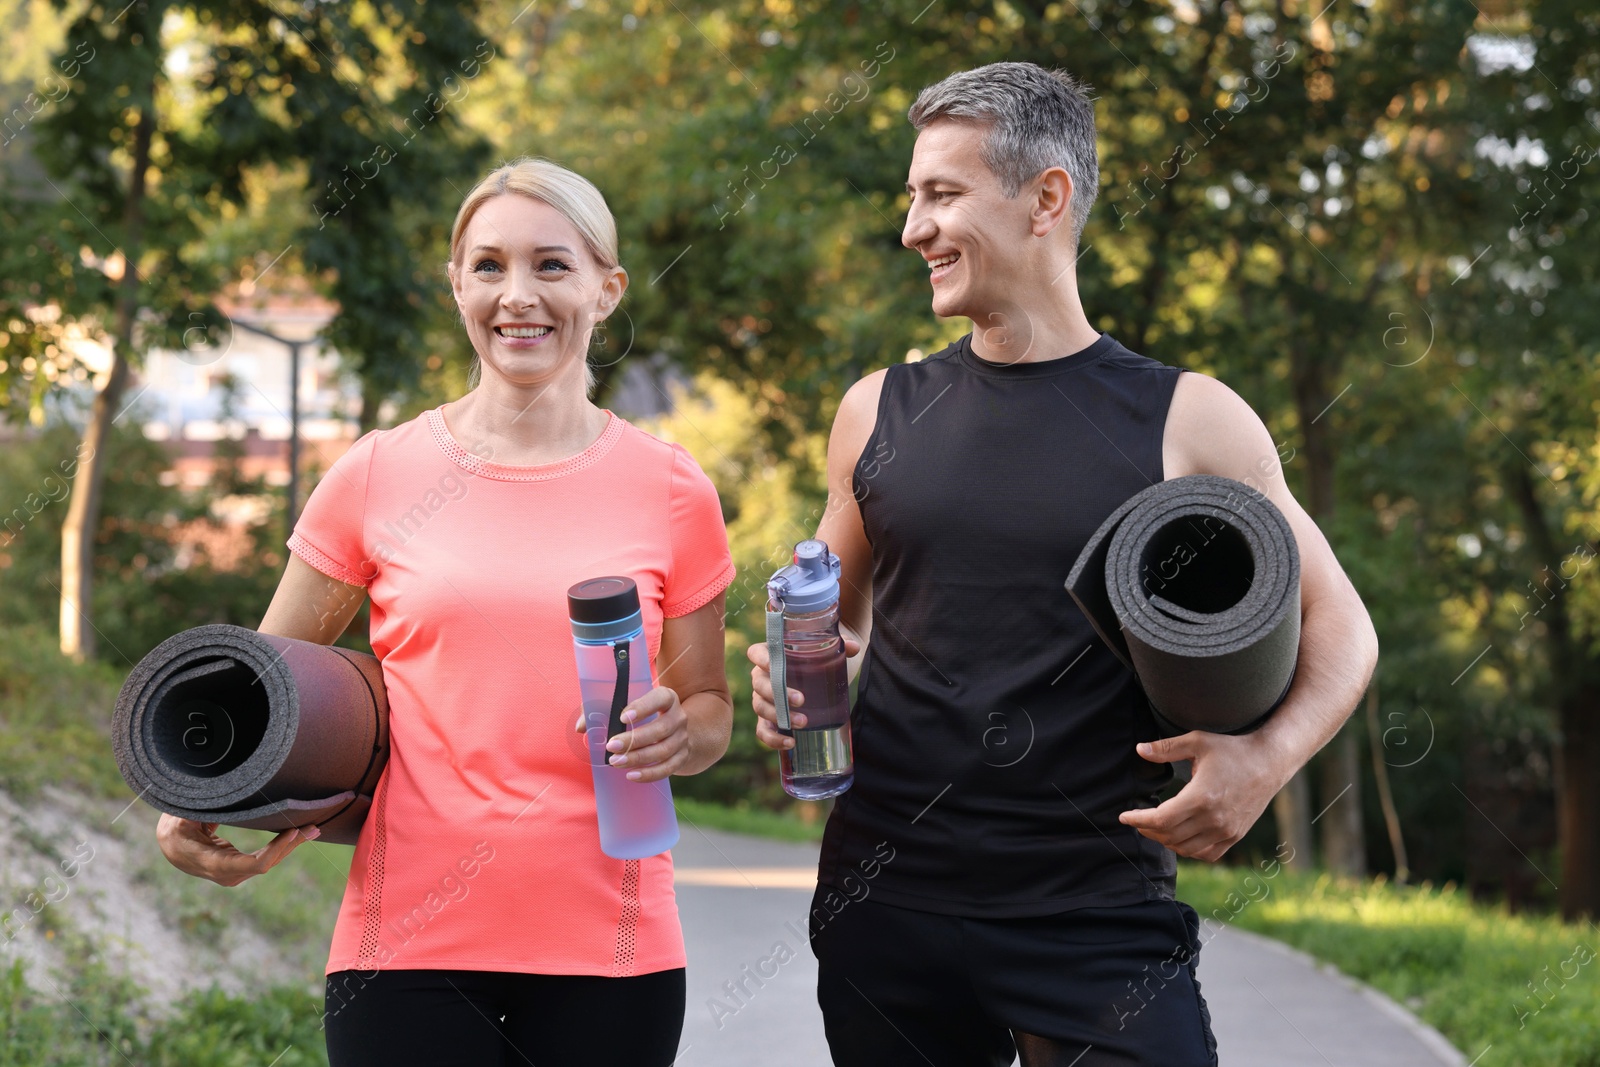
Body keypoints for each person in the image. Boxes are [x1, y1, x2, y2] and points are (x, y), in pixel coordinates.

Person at [748, 63, 1379, 1067]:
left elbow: (1343, 625)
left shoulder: (1188, 416)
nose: (914, 227)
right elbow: (839, 608)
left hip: (1091, 911)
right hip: (885, 901)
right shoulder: (876, 408)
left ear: (1046, 197)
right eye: (912, 197)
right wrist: (797, 669)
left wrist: (1265, 759)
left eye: (942, 194)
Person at [157, 157, 737, 1067]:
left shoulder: (671, 489)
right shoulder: (377, 473)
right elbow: (262, 691)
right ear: (457, 284)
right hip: (404, 951)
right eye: (489, 265)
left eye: (552, 265)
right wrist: (197, 795)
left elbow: (708, 709)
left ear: (607, 288)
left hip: (613, 952)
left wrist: (681, 732)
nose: (519, 295)